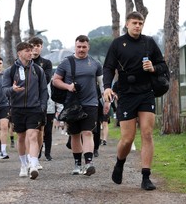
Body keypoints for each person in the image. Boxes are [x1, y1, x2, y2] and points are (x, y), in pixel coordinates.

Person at [102, 11, 168, 190]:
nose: (138, 26)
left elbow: (163, 65)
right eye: (135, 23)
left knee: (147, 133)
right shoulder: (117, 44)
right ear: (127, 24)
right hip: (126, 94)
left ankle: (146, 177)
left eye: (140, 23)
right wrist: (107, 87)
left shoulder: (149, 42)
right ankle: (119, 163)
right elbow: (108, 67)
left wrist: (153, 67)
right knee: (127, 139)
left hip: (146, 92)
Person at [53, 35, 103, 176]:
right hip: (72, 103)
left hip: (91, 103)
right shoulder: (66, 63)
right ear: (75, 47)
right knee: (75, 134)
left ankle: (88, 163)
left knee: (87, 132)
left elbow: (102, 83)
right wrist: (68, 86)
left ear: (88, 47)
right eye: (79, 47)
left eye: (84, 47)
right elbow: (56, 80)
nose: (81, 49)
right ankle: (77, 163)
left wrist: (106, 102)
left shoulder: (95, 64)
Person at [2, 42, 48, 180]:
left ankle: (33, 165)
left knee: (33, 136)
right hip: (17, 109)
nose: (31, 53)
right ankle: (23, 164)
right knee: (21, 137)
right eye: (27, 51)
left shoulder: (38, 70)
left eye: (31, 50)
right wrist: (12, 90)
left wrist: (42, 106)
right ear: (19, 53)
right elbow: (4, 90)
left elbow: (44, 90)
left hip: (34, 109)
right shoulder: (10, 71)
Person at [28, 37, 53, 164]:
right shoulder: (21, 62)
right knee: (28, 131)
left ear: (41, 47)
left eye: (37, 45)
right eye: (32, 45)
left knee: (40, 130)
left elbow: (46, 79)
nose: (35, 47)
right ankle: (29, 157)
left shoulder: (46, 63)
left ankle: (36, 157)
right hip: (24, 101)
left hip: (41, 100)